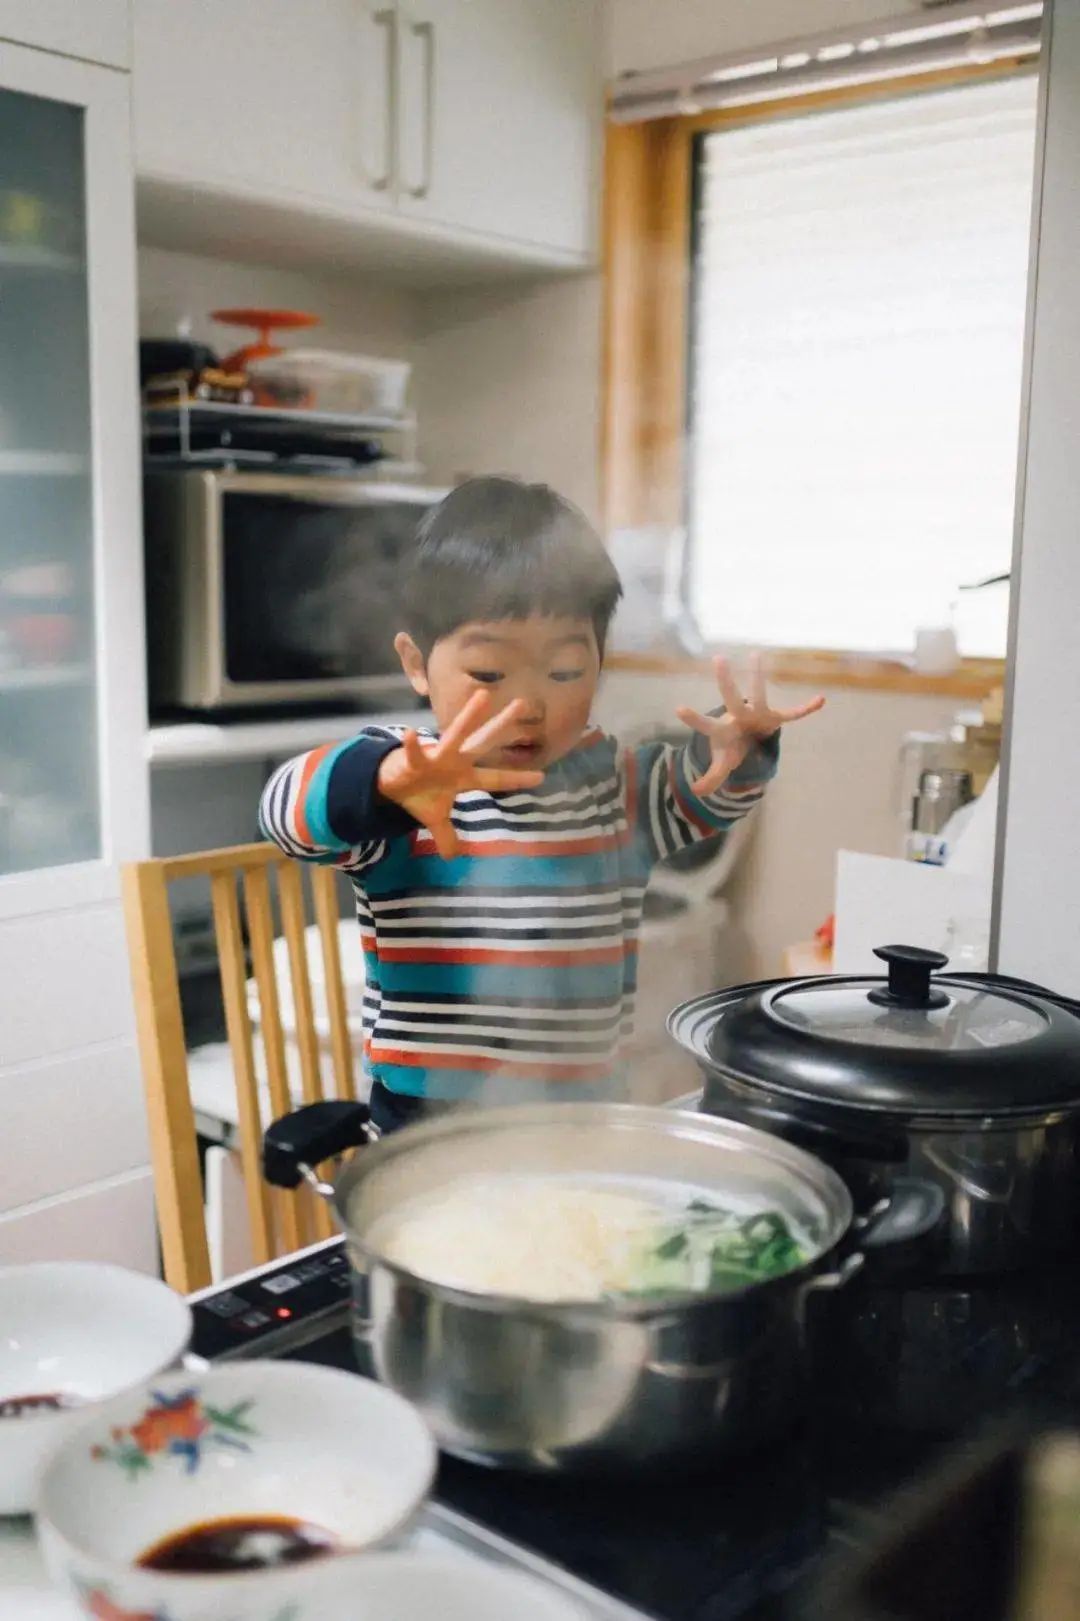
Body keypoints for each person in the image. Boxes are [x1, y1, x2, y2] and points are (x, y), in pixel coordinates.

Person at [259, 476, 824, 1134]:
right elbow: (284, 813)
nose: (527, 704)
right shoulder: (409, 781)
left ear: (600, 661)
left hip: (581, 1117)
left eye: (562, 672)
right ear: (416, 663)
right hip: (426, 1122)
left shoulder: (618, 787)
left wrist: (743, 750)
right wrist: (385, 783)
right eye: (489, 674)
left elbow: (710, 794)